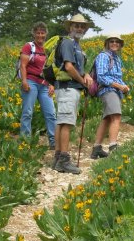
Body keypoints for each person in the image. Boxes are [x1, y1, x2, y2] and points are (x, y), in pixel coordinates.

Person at [53, 13, 93, 174]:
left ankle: (57, 158)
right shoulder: (69, 43)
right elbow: (69, 67)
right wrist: (83, 82)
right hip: (68, 86)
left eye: (82, 26)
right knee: (66, 122)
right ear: (70, 27)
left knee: (62, 121)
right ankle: (63, 159)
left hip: (66, 87)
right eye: (76, 25)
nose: (79, 28)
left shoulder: (76, 45)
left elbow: (78, 68)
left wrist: (86, 75)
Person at [90, 35, 130, 159]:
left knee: (107, 118)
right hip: (107, 90)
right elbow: (102, 76)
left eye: (117, 42)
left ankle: (97, 148)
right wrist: (119, 86)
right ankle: (113, 147)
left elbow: (117, 77)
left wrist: (124, 87)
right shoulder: (103, 56)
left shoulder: (116, 58)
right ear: (107, 43)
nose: (114, 44)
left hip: (114, 90)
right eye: (111, 41)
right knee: (116, 116)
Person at [18, 22, 56, 150]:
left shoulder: (48, 49)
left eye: (42, 33)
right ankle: (25, 140)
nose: (40, 35)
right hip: (31, 81)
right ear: (34, 33)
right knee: (28, 111)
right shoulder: (29, 46)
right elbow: (23, 65)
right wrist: (24, 81)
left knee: (51, 113)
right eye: (38, 33)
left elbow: (50, 68)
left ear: (46, 34)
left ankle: (54, 141)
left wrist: (52, 84)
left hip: (44, 84)